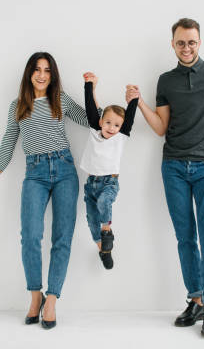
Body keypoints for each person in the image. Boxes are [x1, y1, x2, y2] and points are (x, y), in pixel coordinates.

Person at [126, 18, 204, 338]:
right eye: (180, 43)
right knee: (185, 237)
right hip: (174, 167)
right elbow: (161, 127)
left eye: (191, 42)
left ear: (200, 42)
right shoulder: (166, 80)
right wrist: (139, 104)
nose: (186, 48)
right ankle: (194, 299)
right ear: (173, 44)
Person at [0, 52, 94, 330]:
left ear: (52, 75)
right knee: (30, 236)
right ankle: (35, 296)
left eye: (47, 70)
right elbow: (8, 141)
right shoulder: (18, 105)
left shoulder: (61, 100)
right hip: (35, 173)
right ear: (29, 73)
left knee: (62, 238)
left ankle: (52, 299)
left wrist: (91, 89)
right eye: (37, 70)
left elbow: (93, 120)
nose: (42, 75)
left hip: (65, 170)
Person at [78, 72, 138, 270]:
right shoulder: (96, 131)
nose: (112, 128)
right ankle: (103, 249)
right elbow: (90, 108)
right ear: (101, 121)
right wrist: (89, 85)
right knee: (91, 221)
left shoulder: (121, 137)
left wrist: (134, 98)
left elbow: (129, 116)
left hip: (109, 182)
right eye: (108, 123)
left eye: (117, 125)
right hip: (90, 184)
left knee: (104, 202)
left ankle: (107, 231)